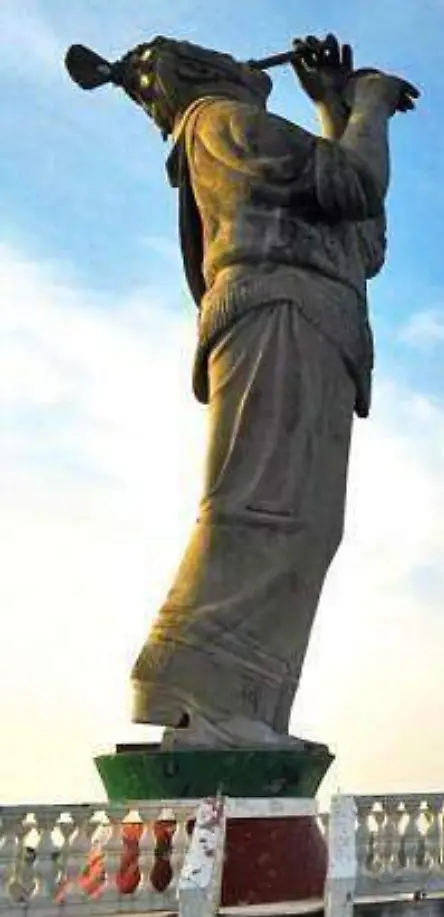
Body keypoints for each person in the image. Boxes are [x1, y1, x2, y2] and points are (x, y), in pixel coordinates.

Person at [110, 36, 415, 749]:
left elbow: (358, 236)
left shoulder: (233, 129)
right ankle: (189, 677)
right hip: (280, 309)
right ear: (201, 74)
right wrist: (368, 102)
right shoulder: (221, 119)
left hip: (311, 314)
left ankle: (246, 698)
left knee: (307, 521)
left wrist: (331, 111)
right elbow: (355, 184)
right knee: (263, 505)